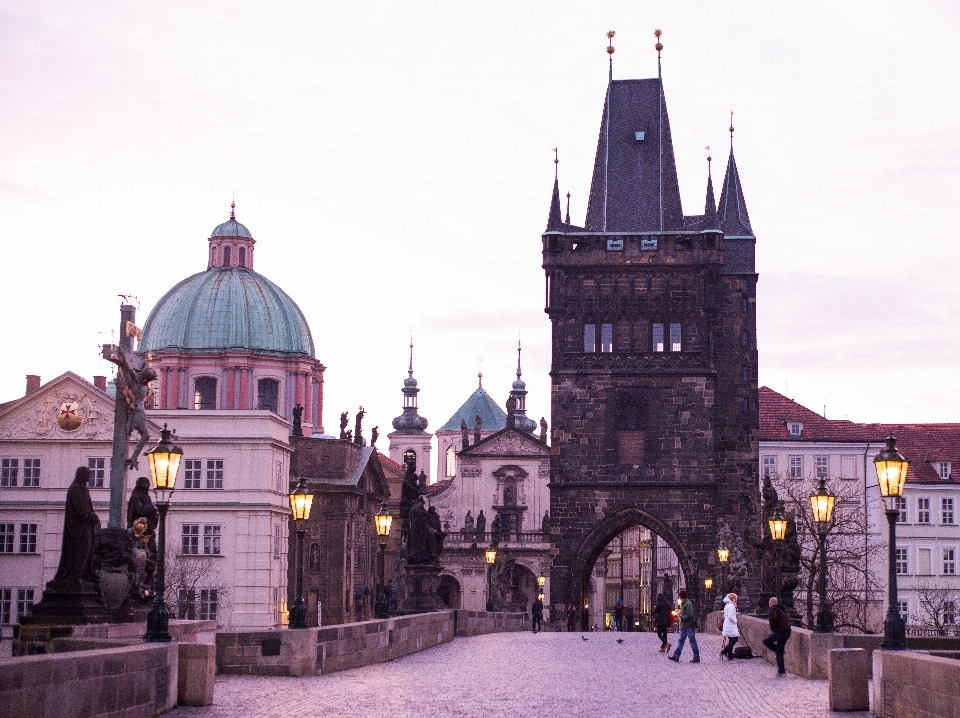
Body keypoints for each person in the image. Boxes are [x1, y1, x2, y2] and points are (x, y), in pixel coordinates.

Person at [667, 589, 700, 663]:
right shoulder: (684, 603)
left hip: (688, 626)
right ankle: (676, 656)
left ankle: (696, 657)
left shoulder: (688, 604)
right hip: (684, 626)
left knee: (692, 641)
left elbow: (690, 615)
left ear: (681, 597)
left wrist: (681, 617)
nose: (678, 598)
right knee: (681, 641)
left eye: (679, 597)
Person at [762, 596, 792, 676]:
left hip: (780, 631)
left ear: (770, 603)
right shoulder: (781, 609)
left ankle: (779, 652)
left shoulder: (773, 609)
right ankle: (782, 671)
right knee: (779, 652)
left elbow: (774, 619)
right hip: (787, 632)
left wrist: (773, 628)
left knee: (765, 641)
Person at [720, 592, 740, 660]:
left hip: (727, 624)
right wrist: (736, 621)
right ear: (733, 599)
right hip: (731, 625)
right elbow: (731, 616)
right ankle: (725, 651)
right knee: (735, 639)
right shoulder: (731, 606)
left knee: (731, 639)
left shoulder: (727, 605)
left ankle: (730, 655)